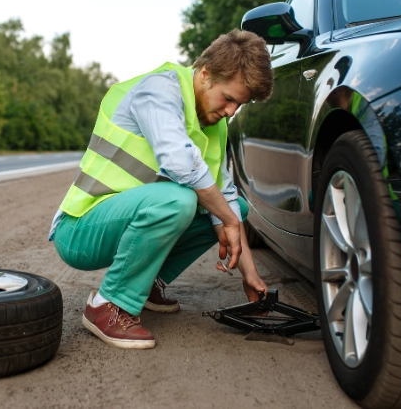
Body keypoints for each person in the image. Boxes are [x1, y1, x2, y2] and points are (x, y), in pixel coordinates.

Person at [48, 29, 274, 349]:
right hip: (81, 228)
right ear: (206, 74)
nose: (231, 112)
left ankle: (145, 281)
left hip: (125, 220)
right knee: (182, 200)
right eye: (229, 99)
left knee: (234, 207)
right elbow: (181, 164)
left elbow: (226, 201)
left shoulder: (214, 125)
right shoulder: (158, 90)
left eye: (240, 104)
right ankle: (107, 305)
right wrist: (230, 220)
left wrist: (249, 275)